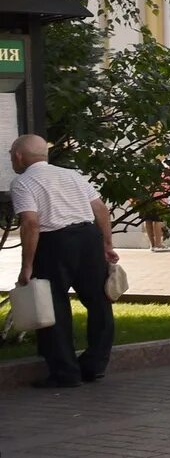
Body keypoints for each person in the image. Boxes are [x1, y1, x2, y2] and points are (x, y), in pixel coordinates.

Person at [8, 135, 117, 390]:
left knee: (52, 304)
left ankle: (65, 372)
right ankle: (94, 365)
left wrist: (27, 266)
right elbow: (101, 208)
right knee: (99, 302)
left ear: (19, 156)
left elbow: (31, 223)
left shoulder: (23, 182)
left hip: (54, 242)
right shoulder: (72, 175)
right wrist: (106, 244)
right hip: (88, 238)